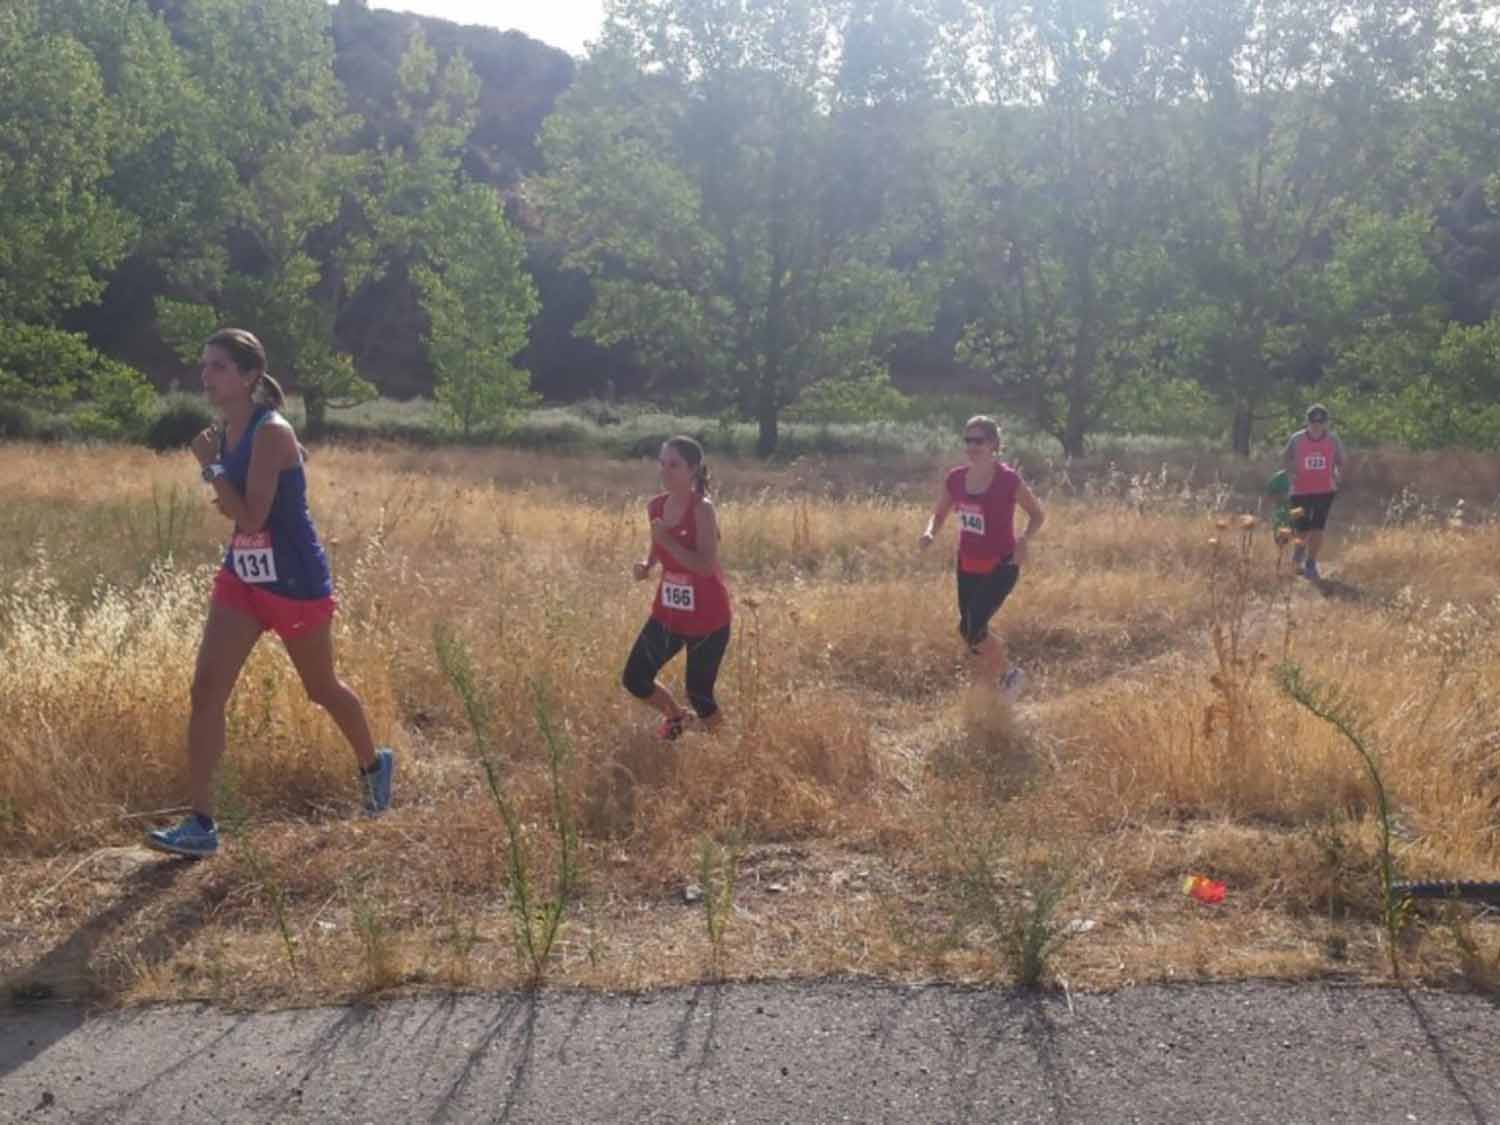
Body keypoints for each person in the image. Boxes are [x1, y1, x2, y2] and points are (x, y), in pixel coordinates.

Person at [146, 329, 394, 858]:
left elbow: (253, 515)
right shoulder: (226, 431)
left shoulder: (270, 431)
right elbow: (241, 513)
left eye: (218, 367)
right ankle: (202, 823)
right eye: (204, 366)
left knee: (321, 688)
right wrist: (224, 479)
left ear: (249, 376)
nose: (206, 377)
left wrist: (212, 468)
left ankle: (374, 766)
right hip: (243, 574)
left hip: (293, 581)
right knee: (206, 690)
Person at [919, 415, 1045, 700]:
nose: (972, 446)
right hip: (967, 564)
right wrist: (929, 533)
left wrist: (1024, 539)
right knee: (970, 631)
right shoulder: (955, 478)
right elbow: (939, 514)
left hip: (1002, 564)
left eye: (978, 441)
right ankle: (988, 687)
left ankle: (1010, 675)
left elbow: (1037, 514)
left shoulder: (1008, 480)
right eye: (968, 440)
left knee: (973, 625)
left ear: (993, 444)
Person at [623, 436, 733, 740]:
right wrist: (647, 564)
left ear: (693, 469)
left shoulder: (703, 510)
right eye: (662, 464)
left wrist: (668, 541)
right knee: (635, 678)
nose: (665, 471)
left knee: (700, 694)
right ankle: (676, 718)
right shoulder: (656, 506)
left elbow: (705, 566)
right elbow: (657, 544)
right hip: (669, 613)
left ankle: (727, 748)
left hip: (708, 618)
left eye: (674, 465)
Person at [1282, 404, 1346, 580]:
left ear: (1326, 423)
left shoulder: (1333, 439)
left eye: (1320, 422)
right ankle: (1298, 555)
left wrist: (1338, 473)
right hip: (1298, 491)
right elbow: (1285, 458)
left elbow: (1341, 461)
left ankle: (1311, 563)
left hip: (1325, 490)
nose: (1317, 426)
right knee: (1301, 528)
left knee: (1317, 527)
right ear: (1307, 422)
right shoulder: (1296, 439)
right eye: (1313, 422)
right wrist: (1290, 474)